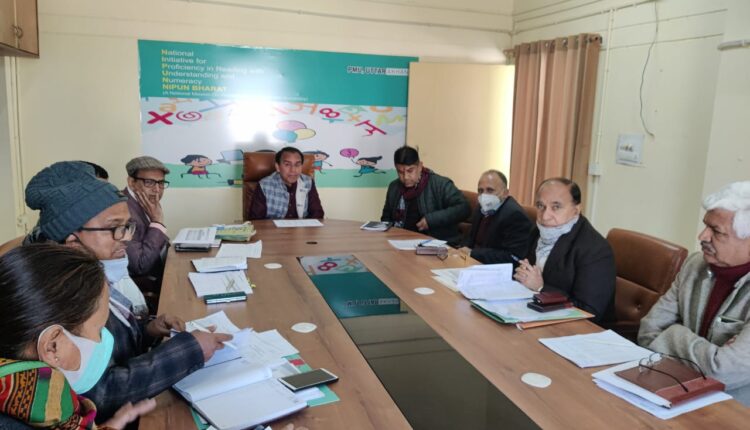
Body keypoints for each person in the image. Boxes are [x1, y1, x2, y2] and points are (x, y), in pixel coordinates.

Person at [24, 161, 231, 421]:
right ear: (73, 241)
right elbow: (99, 394)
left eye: (127, 226)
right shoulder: (57, 299)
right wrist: (190, 350)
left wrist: (149, 330)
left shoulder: (92, 274)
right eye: (115, 228)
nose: (127, 237)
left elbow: (113, 344)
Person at [0, 244, 155, 429]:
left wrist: (112, 425)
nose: (104, 339)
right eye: (99, 329)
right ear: (52, 347)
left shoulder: (34, 399)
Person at [638, 181, 750, 405]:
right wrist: (710, 355)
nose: (702, 236)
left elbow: (722, 372)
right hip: (673, 387)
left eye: (716, 231)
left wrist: (673, 333)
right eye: (705, 226)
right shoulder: (695, 265)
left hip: (733, 408)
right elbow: (648, 332)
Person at [513, 178, 615, 323]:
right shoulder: (538, 232)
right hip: (535, 314)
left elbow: (590, 312)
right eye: (540, 206)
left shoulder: (595, 249)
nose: (545, 216)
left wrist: (541, 288)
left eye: (556, 207)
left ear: (576, 210)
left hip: (579, 329)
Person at [381, 146, 470, 245]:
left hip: (435, 244)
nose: (405, 177)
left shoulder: (440, 184)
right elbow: (386, 218)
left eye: (410, 171)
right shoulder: (394, 187)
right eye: (400, 172)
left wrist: (431, 220)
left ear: (420, 166)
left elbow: (464, 208)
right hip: (399, 241)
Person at [459, 170, 532, 265]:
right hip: (471, 262)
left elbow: (513, 257)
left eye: (490, 190)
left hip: (494, 268)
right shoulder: (481, 207)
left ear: (505, 193)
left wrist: (473, 253)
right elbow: (470, 237)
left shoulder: (515, 216)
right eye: (480, 191)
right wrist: (461, 250)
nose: (484, 195)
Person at [124, 156, 171, 304]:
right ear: (132, 182)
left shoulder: (145, 200)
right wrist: (157, 222)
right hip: (146, 286)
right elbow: (140, 266)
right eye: (149, 182)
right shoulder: (123, 212)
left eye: (161, 183)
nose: (156, 190)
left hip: (162, 269)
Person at [247, 146, 325, 220]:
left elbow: (317, 214)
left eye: (297, 165)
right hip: (273, 229)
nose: (293, 170)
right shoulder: (264, 185)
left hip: (302, 229)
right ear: (278, 167)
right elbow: (256, 220)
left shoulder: (308, 182)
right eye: (287, 164)